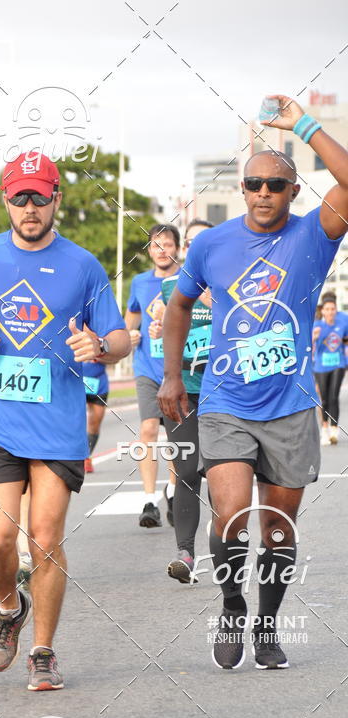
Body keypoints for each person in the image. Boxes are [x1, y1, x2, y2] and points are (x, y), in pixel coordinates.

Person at [159, 93, 348, 670]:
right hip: (225, 402)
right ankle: (232, 604)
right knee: (233, 513)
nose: (263, 192)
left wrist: (305, 126)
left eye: (274, 185)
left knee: (277, 530)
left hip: (289, 407)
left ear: (293, 192)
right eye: (253, 184)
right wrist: (172, 376)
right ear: (241, 189)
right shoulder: (212, 243)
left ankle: (267, 623)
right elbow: (179, 305)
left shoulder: (314, 236)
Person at [0, 152, 130, 691]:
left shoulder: (83, 265)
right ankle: (9, 607)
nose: (29, 207)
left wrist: (98, 346)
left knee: (44, 538)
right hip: (0, 424)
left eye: (39, 197)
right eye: (19, 197)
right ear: (4, 200)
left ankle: (43, 651)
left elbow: (119, 338)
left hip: (59, 427)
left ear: (56, 200)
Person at [151, 219, 214, 583]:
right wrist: (157, 328)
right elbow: (162, 330)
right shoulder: (170, 286)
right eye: (191, 241)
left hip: (224, 391)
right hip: (184, 389)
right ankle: (186, 554)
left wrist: (215, 300)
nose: (196, 246)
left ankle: (227, 547)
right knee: (187, 470)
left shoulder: (231, 284)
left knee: (221, 472)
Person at [125, 224, 179, 528]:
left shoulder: (187, 279)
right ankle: (149, 501)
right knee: (147, 429)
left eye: (167, 244)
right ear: (149, 250)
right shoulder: (139, 282)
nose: (162, 250)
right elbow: (132, 315)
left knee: (174, 437)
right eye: (156, 245)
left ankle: (172, 490)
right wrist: (129, 333)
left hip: (178, 370)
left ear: (177, 248)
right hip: (147, 368)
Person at [313, 294, 348, 445]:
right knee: (325, 399)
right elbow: (310, 346)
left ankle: (334, 430)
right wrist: (314, 337)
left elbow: (345, 341)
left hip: (338, 364)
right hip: (321, 366)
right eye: (327, 309)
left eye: (333, 309)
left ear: (335, 310)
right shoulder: (317, 326)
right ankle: (324, 429)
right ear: (323, 311)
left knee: (334, 397)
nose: (330, 311)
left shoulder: (342, 323)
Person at [82, 353, 109, 473]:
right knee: (71, 420)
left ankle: (86, 456)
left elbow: (116, 356)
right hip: (74, 378)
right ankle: (71, 456)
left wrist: (100, 355)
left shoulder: (101, 334)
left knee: (95, 422)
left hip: (98, 382)